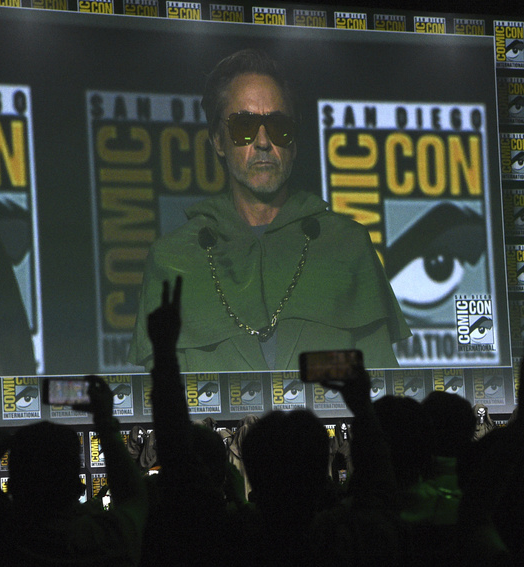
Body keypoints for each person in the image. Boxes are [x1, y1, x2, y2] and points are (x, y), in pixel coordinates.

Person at [128, 48, 410, 371]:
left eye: (278, 126)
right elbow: (160, 406)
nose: (263, 142)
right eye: (243, 125)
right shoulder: (173, 260)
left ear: (294, 141)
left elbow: (383, 394)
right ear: (218, 140)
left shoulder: (347, 246)